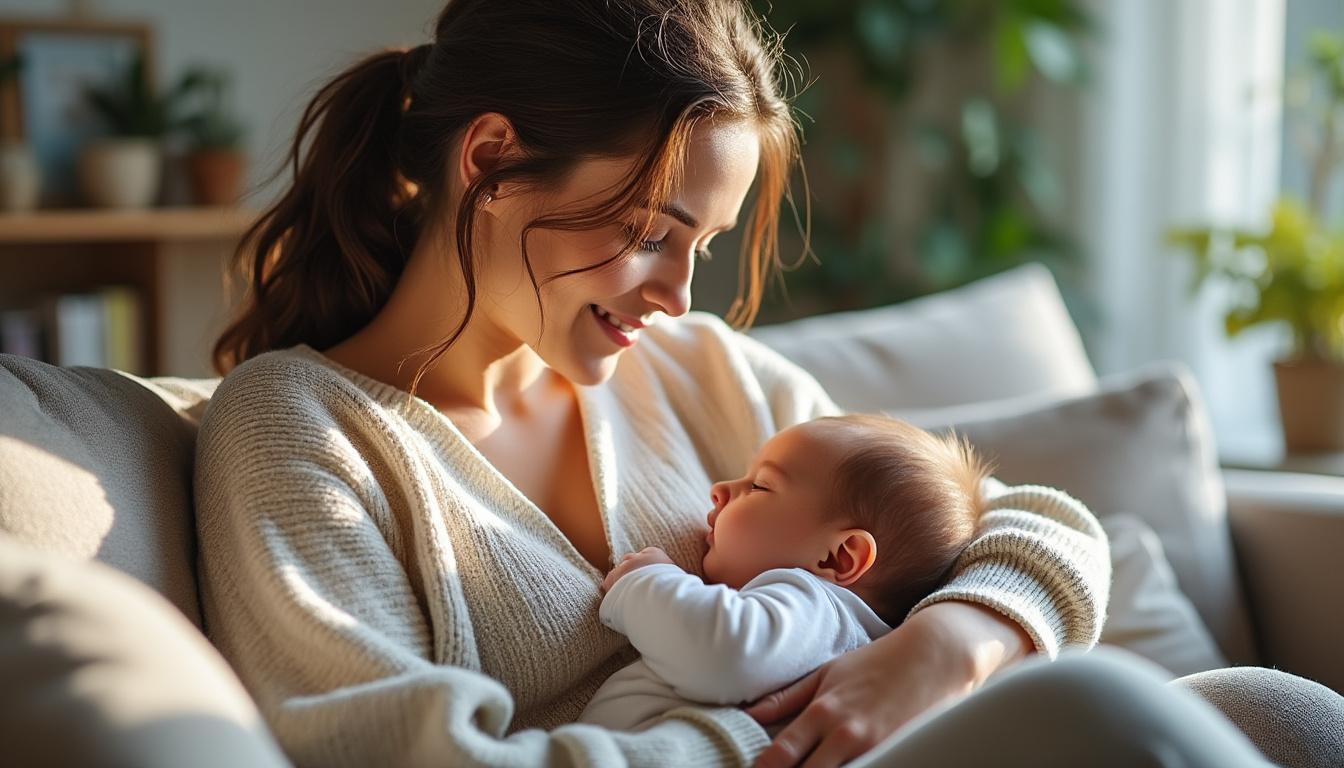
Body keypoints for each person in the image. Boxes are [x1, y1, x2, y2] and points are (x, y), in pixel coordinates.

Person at [193, 0, 1301, 766]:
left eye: (700, 246)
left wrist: (943, 648)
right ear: (488, 160)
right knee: (1101, 707)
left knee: (1267, 709)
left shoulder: (685, 372)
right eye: (645, 232)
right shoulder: (299, 433)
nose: (676, 294)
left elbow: (1039, 526)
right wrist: (793, 730)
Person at [579, 414, 996, 731]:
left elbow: (726, 653)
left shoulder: (817, 607)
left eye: (760, 485)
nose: (720, 489)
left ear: (838, 559)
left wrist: (647, 581)